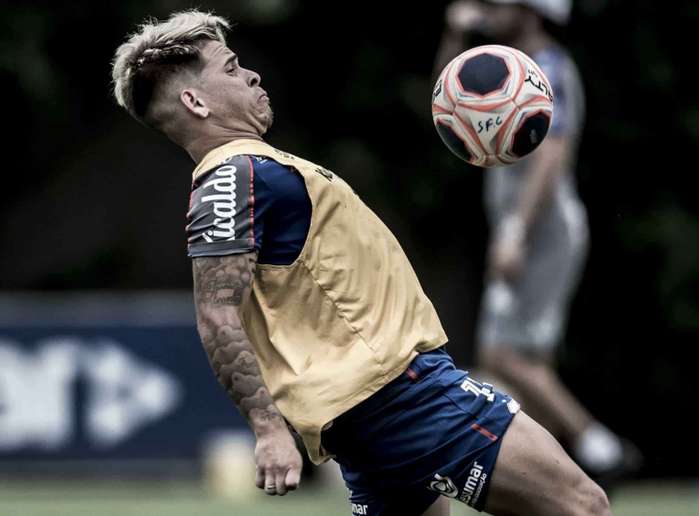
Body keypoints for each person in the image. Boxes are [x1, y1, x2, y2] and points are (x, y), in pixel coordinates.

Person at [111, 10, 611, 515]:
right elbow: (217, 313)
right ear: (194, 102)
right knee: (582, 506)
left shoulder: (250, 170)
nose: (251, 75)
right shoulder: (230, 178)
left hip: (366, 414)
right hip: (402, 397)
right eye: (232, 68)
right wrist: (267, 428)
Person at [435, 0, 640, 484]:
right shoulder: (505, 65)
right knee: (530, 363)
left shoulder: (545, 69)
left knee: (501, 357)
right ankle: (552, 479)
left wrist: (514, 232)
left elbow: (554, 152)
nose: (489, 9)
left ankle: (603, 450)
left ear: (532, 10)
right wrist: (452, 39)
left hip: (542, 229)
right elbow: (444, 106)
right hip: (530, 230)